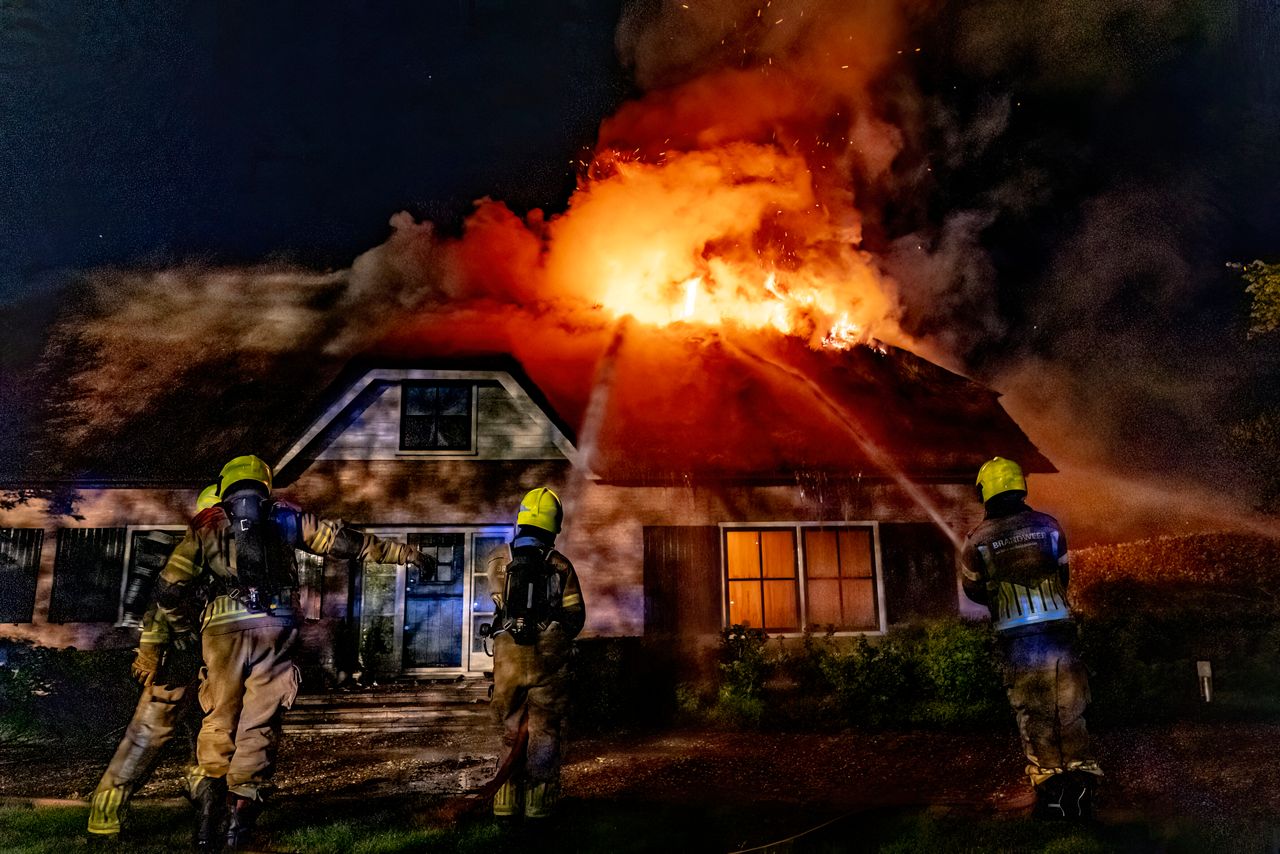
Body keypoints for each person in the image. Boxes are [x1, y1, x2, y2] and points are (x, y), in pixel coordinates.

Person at [152, 454, 434, 849]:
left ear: (224, 485)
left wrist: (184, 631)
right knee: (259, 722)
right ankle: (240, 822)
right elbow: (344, 544)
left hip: (220, 631)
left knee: (219, 716)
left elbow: (168, 588)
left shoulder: (206, 525)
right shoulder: (285, 516)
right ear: (265, 484)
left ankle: (205, 816)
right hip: (276, 626)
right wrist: (405, 554)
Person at [959, 456, 1103, 820]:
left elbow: (973, 592)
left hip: (1018, 639)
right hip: (1059, 633)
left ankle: (1052, 795)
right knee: (1069, 708)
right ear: (1019, 486)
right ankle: (1082, 789)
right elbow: (1063, 574)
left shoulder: (977, 540)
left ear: (985, 492)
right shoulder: (1049, 526)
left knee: (1033, 711)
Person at [86, 484, 220, 841]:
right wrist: (151, 649)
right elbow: (162, 603)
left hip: (203, 667)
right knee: (146, 738)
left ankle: (204, 796)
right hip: (175, 665)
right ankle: (106, 816)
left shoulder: (214, 559)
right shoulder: (194, 556)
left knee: (205, 738)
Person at [486, 487, 585, 820]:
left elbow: (497, 605)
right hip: (547, 658)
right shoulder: (560, 564)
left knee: (510, 727)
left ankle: (504, 799)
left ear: (522, 519)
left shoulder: (498, 558)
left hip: (508, 658)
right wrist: (554, 636)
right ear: (553, 524)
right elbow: (575, 616)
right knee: (545, 727)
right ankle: (538, 801)